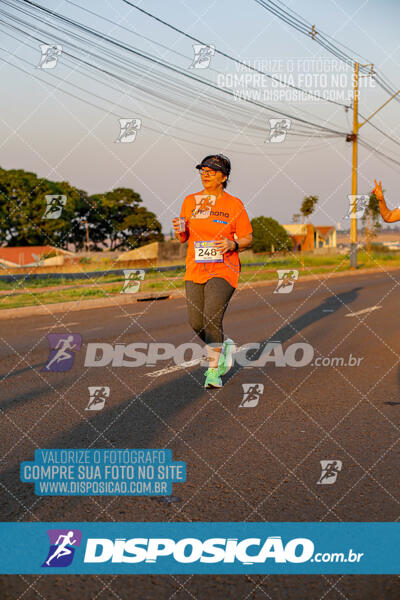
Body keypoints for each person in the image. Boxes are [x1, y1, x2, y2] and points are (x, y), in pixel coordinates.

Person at [173, 154, 253, 388]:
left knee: (211, 317)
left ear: (224, 177)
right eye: (203, 170)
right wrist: (179, 229)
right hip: (195, 267)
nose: (205, 174)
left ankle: (213, 371)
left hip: (224, 267)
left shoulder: (234, 204)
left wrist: (233, 244)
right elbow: (183, 238)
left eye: (212, 170)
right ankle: (224, 344)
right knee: (196, 323)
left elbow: (248, 237)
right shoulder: (190, 201)